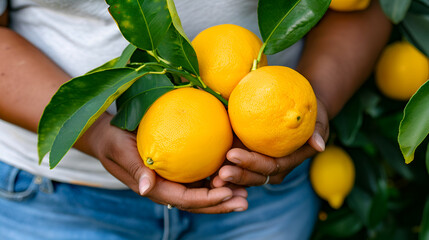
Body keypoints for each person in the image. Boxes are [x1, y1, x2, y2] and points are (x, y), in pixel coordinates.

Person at [0, 0, 391, 239]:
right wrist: (95, 132)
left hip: (265, 193)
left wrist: (315, 104)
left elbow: (360, 4)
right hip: (54, 202)